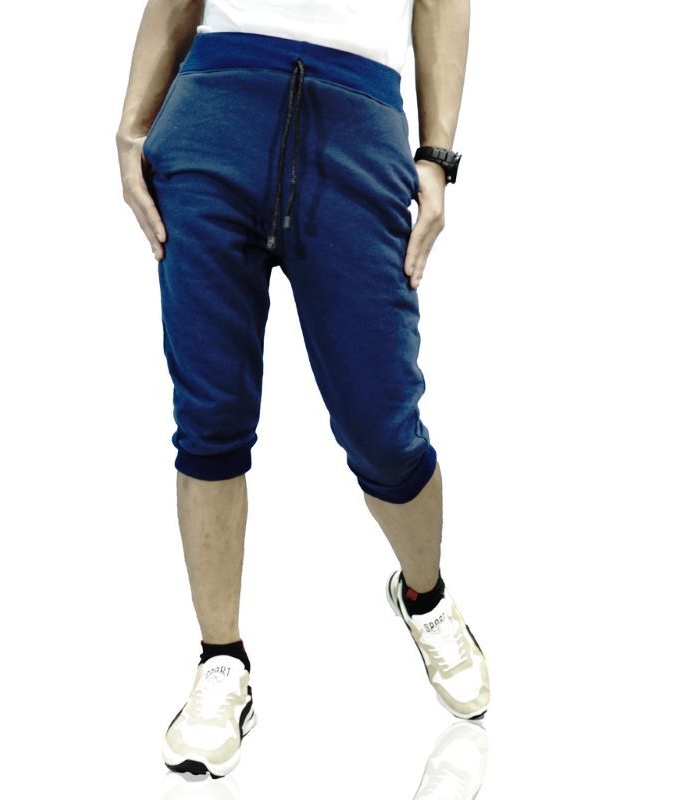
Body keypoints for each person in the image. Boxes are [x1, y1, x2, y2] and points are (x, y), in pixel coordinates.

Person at [115, 0, 489, 779]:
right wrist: (131, 127)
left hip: (356, 128)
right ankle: (222, 662)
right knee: (211, 415)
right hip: (215, 113)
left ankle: (424, 596)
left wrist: (436, 155)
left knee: (383, 425)